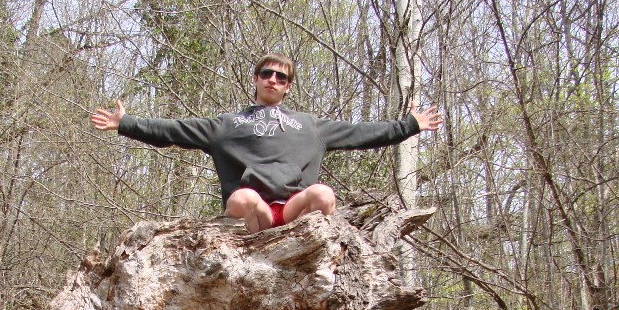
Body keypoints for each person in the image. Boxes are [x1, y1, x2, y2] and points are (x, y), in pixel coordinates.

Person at [91, 53, 443, 234]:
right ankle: (255, 250)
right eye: (266, 74)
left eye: (281, 77)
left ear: (288, 86)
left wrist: (410, 125)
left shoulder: (311, 127)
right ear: (256, 79)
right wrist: (127, 123)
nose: (273, 79)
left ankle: (311, 250)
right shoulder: (227, 125)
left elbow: (363, 133)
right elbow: (174, 130)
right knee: (243, 198)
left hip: (294, 213)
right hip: (251, 214)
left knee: (324, 195)